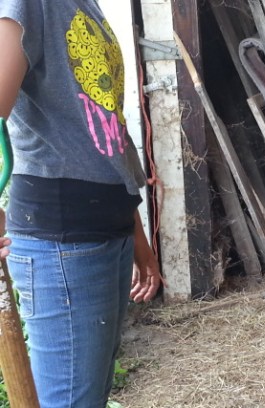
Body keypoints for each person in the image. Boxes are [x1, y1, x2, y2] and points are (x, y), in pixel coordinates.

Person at [0, 2, 165, 407]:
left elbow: (106, 135)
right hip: (63, 238)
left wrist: (136, 232)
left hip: (105, 229)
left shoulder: (84, 4)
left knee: (90, 394)